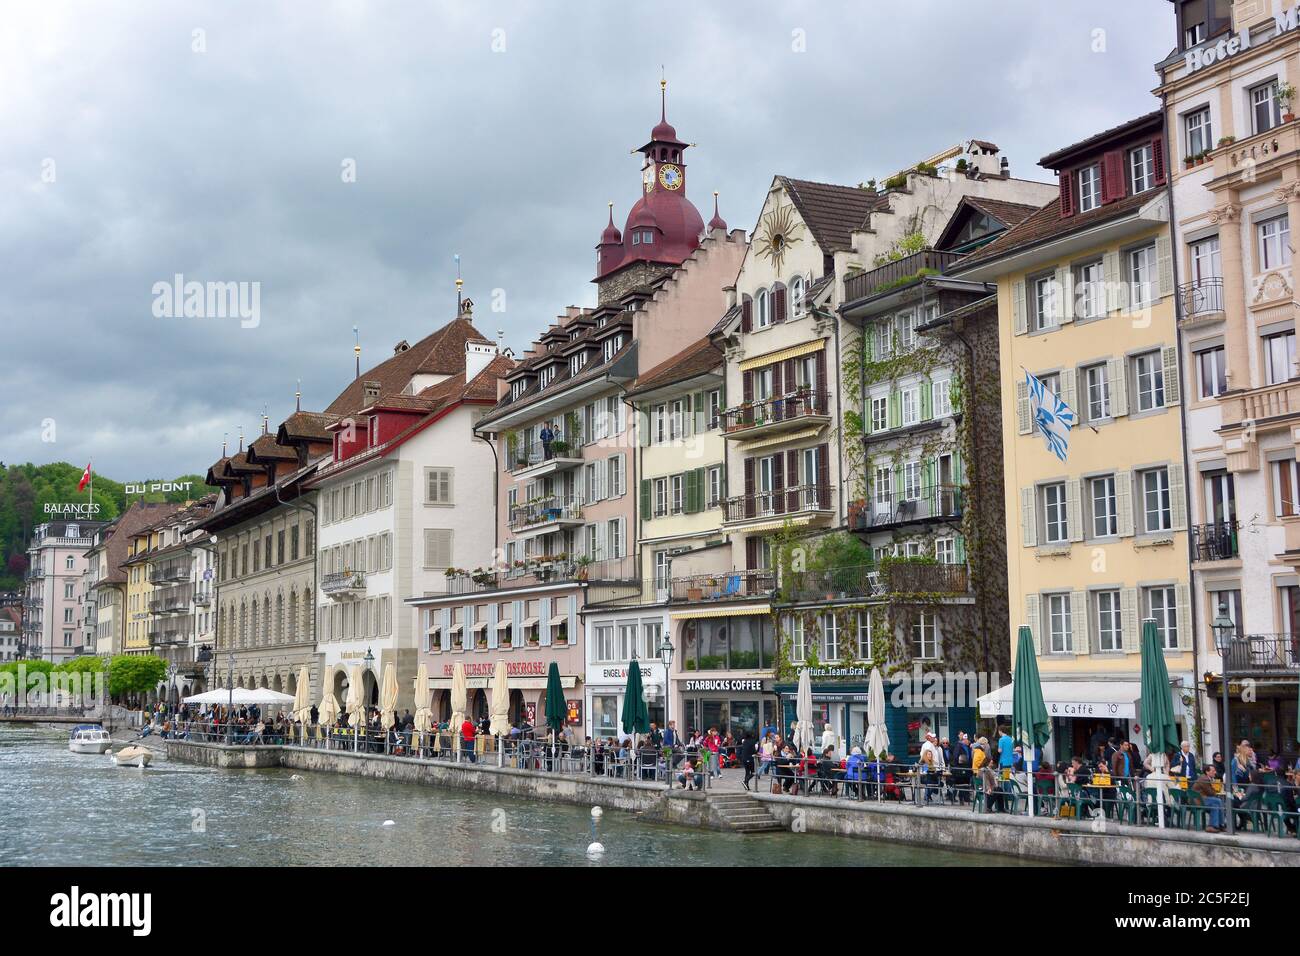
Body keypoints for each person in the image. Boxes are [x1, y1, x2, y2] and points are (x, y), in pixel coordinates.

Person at [1193, 766, 1225, 833]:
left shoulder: (1205, 778)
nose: (1215, 772)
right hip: (1199, 800)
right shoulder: (1204, 779)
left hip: (1202, 798)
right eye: (1213, 771)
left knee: (1215, 806)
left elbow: (1210, 792)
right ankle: (1221, 824)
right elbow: (1210, 792)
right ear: (1207, 772)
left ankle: (1212, 826)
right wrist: (1216, 792)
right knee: (1218, 801)